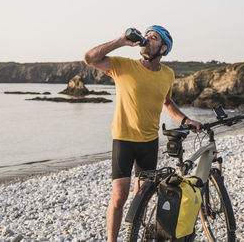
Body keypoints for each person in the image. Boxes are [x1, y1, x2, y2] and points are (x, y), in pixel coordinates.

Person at [83, 25, 201, 241]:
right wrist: (120, 41)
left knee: (143, 196)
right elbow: (89, 58)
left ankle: (136, 234)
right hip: (123, 139)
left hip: (149, 142)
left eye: (153, 37)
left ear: (163, 48)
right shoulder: (123, 66)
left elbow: (167, 102)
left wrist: (185, 120)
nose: (147, 39)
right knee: (119, 196)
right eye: (146, 35)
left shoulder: (168, 74)